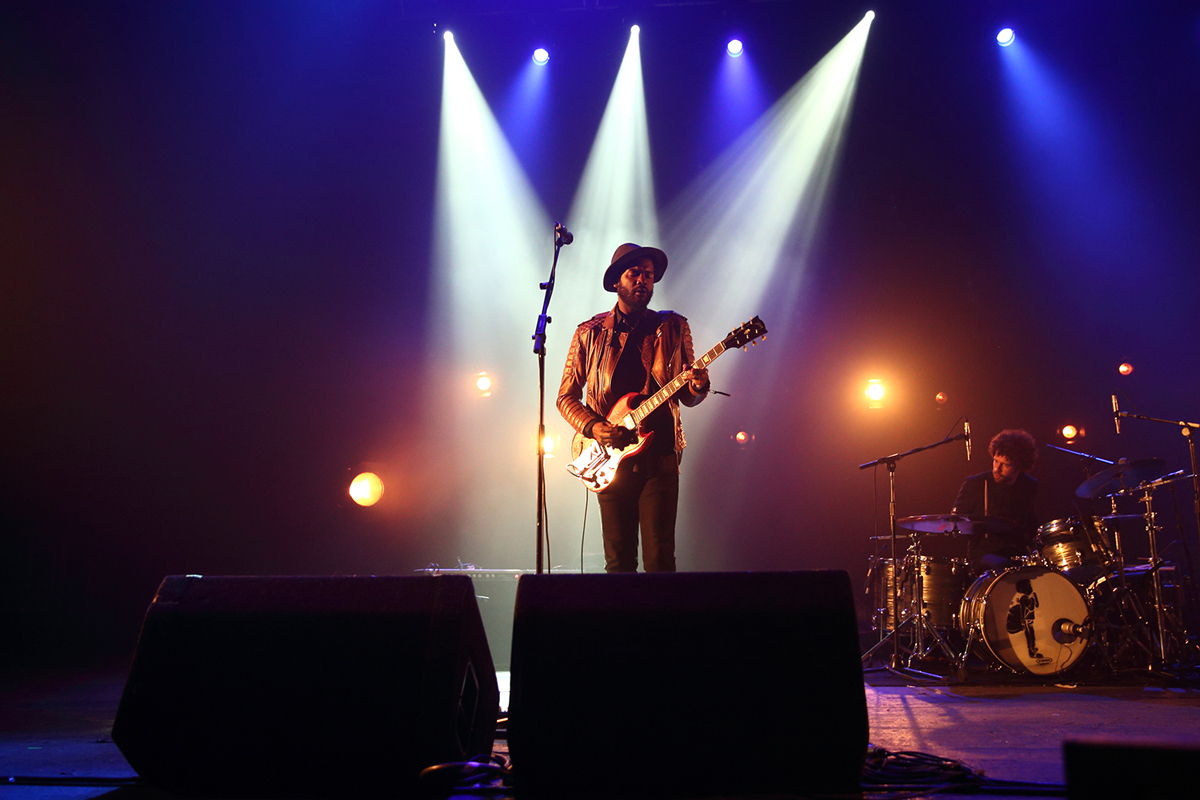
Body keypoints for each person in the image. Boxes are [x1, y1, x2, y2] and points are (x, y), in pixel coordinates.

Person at [557, 242, 710, 573]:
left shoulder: (672, 327)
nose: (643, 280)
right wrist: (596, 428)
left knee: (659, 560)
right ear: (616, 282)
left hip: (660, 458)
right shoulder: (589, 333)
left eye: (649, 275)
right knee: (618, 562)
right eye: (635, 274)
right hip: (609, 461)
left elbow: (687, 396)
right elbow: (565, 397)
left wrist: (698, 386)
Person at [953, 429, 1039, 573]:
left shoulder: (1029, 486)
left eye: (1005, 464)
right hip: (984, 554)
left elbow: (1032, 526)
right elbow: (956, 521)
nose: (997, 468)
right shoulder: (975, 484)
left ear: (1019, 466)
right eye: (995, 461)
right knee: (1004, 565)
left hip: (1018, 553)